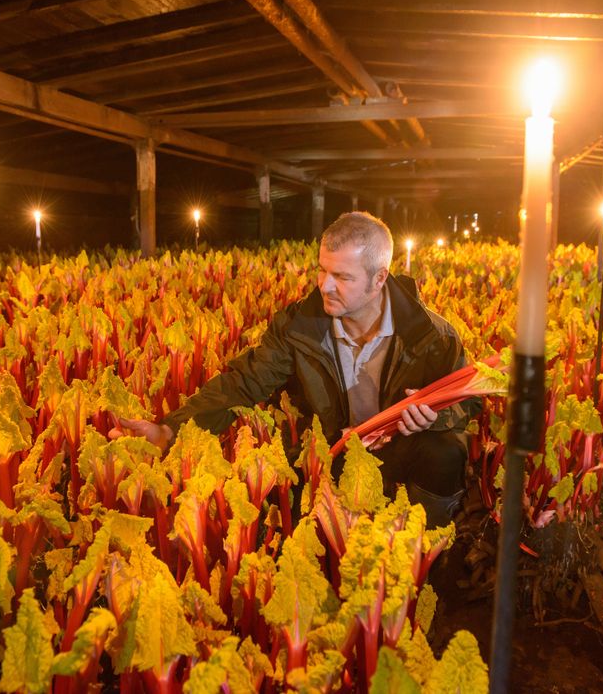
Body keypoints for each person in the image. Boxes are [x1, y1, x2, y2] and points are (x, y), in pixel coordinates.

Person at [112, 212, 478, 527]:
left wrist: (433, 420)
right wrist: (168, 430)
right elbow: (245, 382)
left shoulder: (432, 335)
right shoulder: (299, 325)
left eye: (343, 277)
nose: (325, 286)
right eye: (322, 270)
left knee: (444, 453)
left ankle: (429, 547)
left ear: (379, 278)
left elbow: (469, 402)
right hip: (332, 450)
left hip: (402, 450)